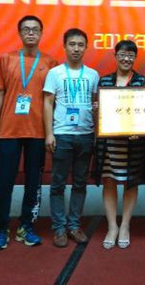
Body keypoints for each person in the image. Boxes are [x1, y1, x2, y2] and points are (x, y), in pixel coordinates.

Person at [0, 15, 58, 250]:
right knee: (5, 182)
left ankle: (26, 226)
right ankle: (1, 228)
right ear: (19, 33)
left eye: (35, 29)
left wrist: (51, 132)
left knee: (33, 182)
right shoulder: (6, 59)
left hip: (38, 132)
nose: (31, 33)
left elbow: (52, 100)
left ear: (41, 33)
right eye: (26, 29)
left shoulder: (50, 62)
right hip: (9, 131)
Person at [43, 28, 99, 248]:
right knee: (58, 183)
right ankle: (59, 228)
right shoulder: (54, 73)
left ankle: (74, 225)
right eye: (72, 44)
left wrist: (96, 132)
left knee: (80, 183)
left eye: (80, 45)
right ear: (65, 46)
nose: (76, 49)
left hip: (85, 135)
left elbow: (95, 104)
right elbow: (48, 103)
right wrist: (49, 133)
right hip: (62, 135)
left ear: (86, 47)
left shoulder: (92, 75)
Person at [94, 40, 145, 250]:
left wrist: (140, 130)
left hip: (133, 144)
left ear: (135, 58)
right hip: (109, 143)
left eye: (130, 56)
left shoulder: (141, 81)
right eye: (122, 55)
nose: (126, 59)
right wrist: (97, 108)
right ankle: (112, 226)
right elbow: (99, 112)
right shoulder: (105, 81)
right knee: (109, 181)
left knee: (130, 183)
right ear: (115, 56)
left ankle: (125, 225)